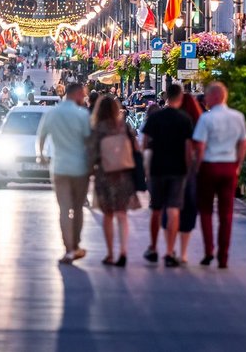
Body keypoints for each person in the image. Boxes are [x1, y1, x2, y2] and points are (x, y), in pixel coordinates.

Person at [192, 82, 246, 269]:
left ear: (215, 97)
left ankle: (209, 251)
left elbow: (199, 147)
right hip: (229, 167)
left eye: (207, 96)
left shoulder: (206, 119)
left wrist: (197, 167)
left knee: (206, 211)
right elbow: (243, 143)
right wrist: (238, 165)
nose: (205, 100)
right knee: (227, 214)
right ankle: (223, 257)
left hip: (209, 165)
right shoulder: (237, 117)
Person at [37, 82, 92, 265]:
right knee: (77, 209)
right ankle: (75, 245)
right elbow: (88, 140)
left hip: (59, 167)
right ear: (76, 94)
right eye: (83, 95)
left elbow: (41, 135)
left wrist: (42, 156)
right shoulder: (83, 114)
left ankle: (68, 249)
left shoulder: (52, 113)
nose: (84, 98)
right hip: (80, 168)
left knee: (63, 209)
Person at [141, 84, 194, 267]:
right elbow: (188, 148)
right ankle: (170, 252)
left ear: (166, 97)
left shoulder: (156, 117)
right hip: (178, 169)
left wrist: (146, 166)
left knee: (156, 209)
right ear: (180, 98)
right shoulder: (185, 119)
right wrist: (188, 169)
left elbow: (145, 143)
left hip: (157, 168)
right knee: (173, 209)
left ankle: (153, 248)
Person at [89, 95, 140, 267]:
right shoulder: (124, 127)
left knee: (108, 215)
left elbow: (93, 154)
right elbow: (135, 149)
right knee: (122, 214)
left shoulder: (98, 129)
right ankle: (123, 250)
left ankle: (110, 253)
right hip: (124, 175)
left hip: (105, 175)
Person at [174, 93, 204, 264]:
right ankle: (184, 252)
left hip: (173, 167)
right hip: (191, 170)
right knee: (189, 207)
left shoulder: (177, 120)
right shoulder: (200, 121)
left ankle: (170, 249)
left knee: (172, 207)